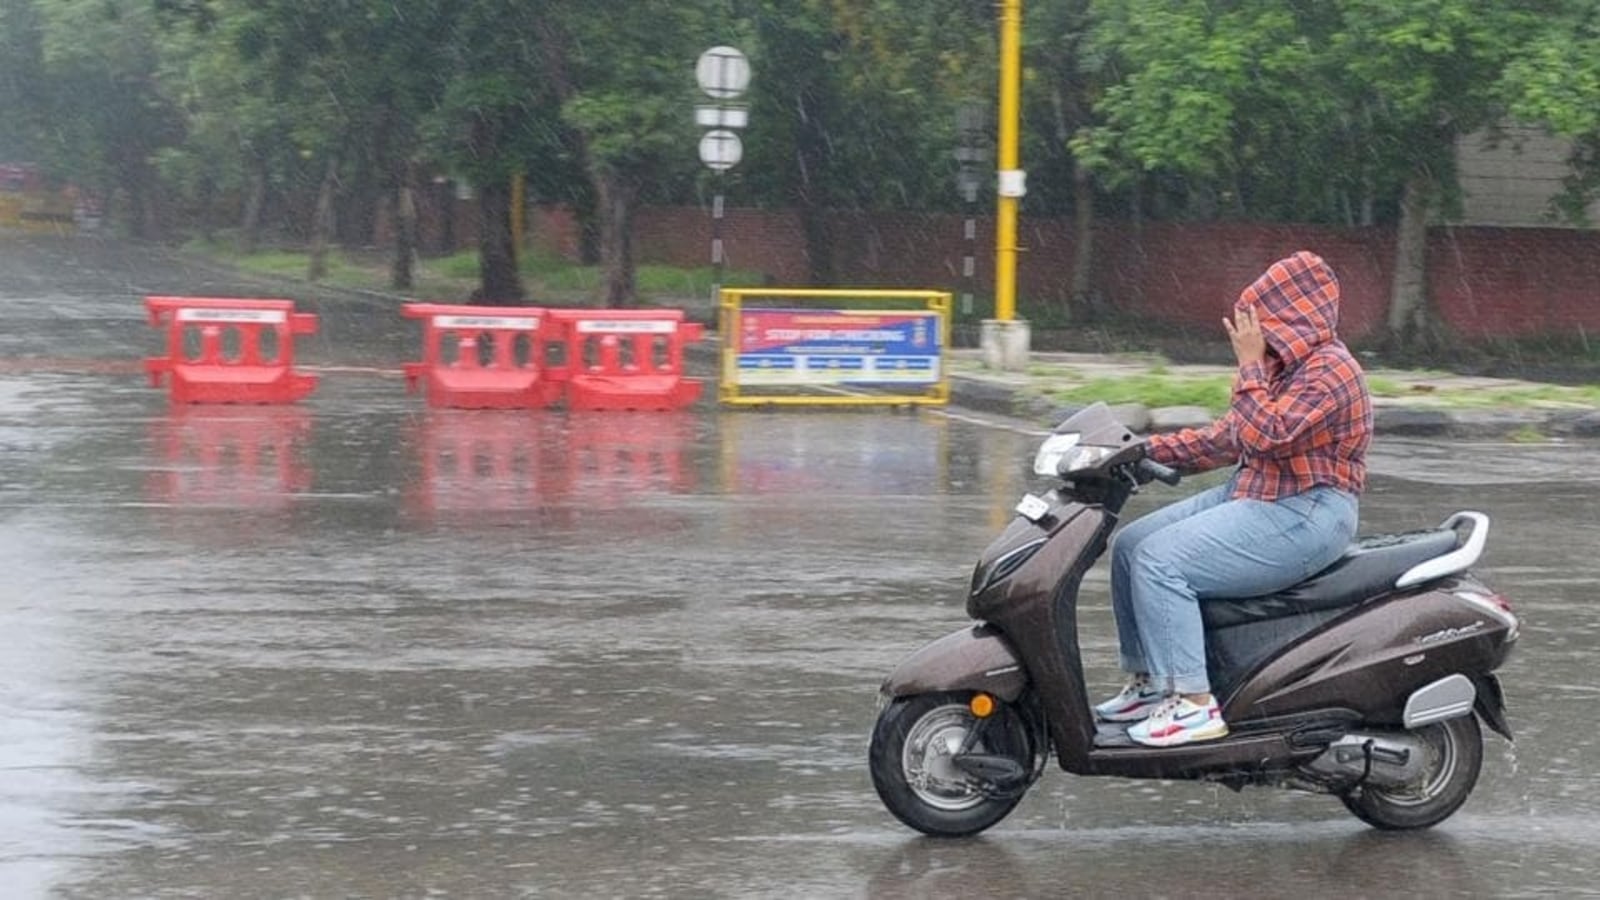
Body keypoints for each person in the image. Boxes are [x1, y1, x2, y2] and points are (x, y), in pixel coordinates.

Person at [1093, 250, 1373, 748]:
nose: (1250, 332)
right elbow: (1229, 439)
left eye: (1261, 318)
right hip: (1261, 494)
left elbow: (1269, 433)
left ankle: (1194, 704)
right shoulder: (1287, 369)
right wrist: (1135, 451)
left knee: (1162, 562)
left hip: (1308, 510)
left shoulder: (1331, 370)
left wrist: (1248, 367)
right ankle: (1152, 683)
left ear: (1292, 316)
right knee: (1133, 544)